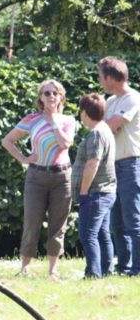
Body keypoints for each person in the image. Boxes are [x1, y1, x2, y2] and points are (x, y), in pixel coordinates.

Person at [1, 79, 76, 277]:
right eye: (47, 93)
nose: (51, 96)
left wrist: (52, 121)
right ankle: (25, 268)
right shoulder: (31, 120)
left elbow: (65, 143)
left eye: (55, 93)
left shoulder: (68, 120)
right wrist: (23, 159)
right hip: (36, 176)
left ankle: (53, 270)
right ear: (40, 98)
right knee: (31, 222)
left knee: (58, 224)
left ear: (61, 96)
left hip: (62, 177)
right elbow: (7, 141)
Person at [98, 56, 140, 276]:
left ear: (111, 77)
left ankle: (138, 267)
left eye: (101, 76)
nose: (100, 80)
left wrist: (100, 125)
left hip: (131, 164)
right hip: (113, 166)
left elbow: (109, 127)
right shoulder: (111, 101)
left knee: (133, 219)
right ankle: (124, 266)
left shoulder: (132, 99)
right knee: (117, 222)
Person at [70, 93, 116, 279]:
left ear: (85, 112)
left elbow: (93, 163)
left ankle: (93, 273)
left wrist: (83, 190)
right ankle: (106, 270)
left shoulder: (97, 133)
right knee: (103, 234)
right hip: (107, 192)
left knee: (88, 235)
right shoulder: (106, 129)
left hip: (95, 192)